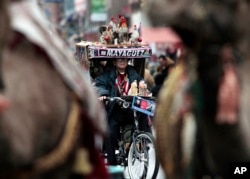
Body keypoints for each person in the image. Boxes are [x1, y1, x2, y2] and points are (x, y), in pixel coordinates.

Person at [93, 58, 151, 165]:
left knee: (143, 112)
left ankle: (143, 141)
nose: (122, 61)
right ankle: (112, 163)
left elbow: (142, 84)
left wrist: (144, 88)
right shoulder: (108, 74)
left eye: (124, 59)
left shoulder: (133, 74)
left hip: (130, 110)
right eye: (119, 60)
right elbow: (98, 85)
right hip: (115, 110)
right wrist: (103, 95)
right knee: (109, 133)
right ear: (114, 62)